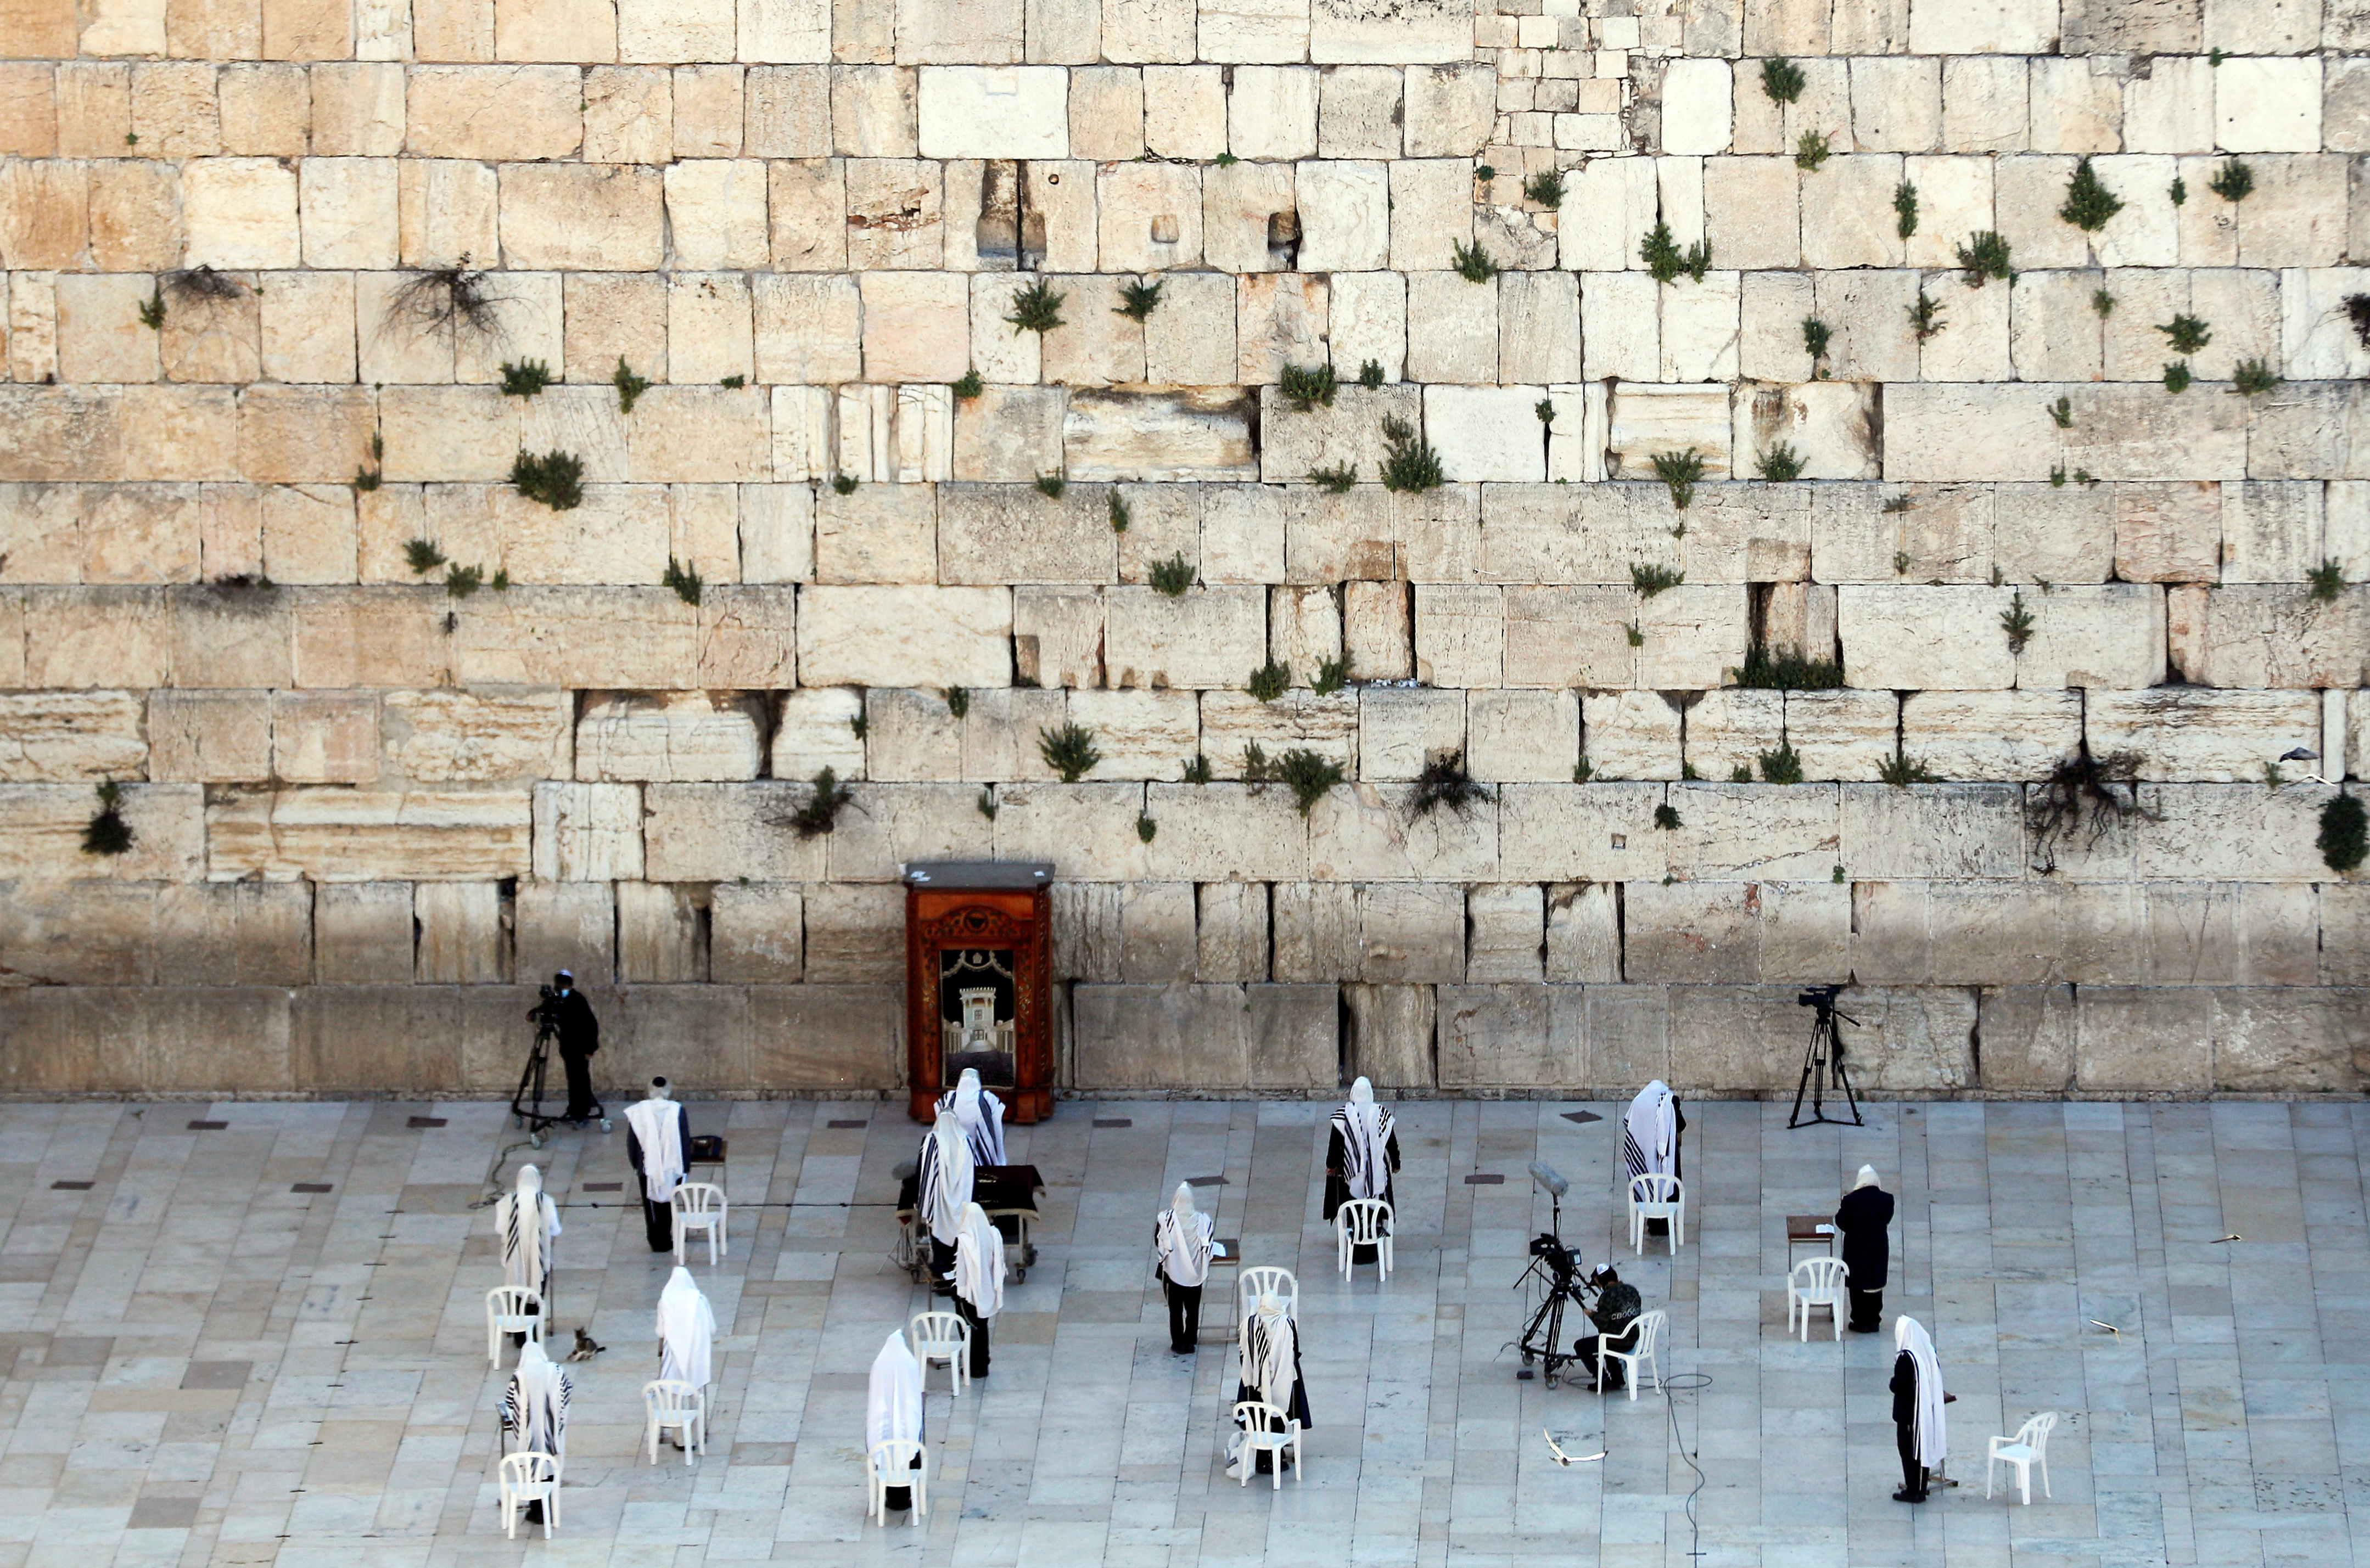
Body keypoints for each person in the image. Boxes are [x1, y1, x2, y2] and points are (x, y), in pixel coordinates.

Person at [1226, 1291, 1312, 1478]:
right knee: (1281, 1413)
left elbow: (1243, 1352)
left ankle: (1261, 1455)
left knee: (1258, 1416)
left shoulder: (1249, 1323)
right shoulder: (1287, 1324)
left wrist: (1258, 1371)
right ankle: (1275, 1455)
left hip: (1254, 1380)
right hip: (1284, 1378)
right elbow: (1294, 1351)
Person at [1324, 1076, 1401, 1263]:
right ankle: (1374, 1242)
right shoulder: (1381, 1114)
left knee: (1350, 1208)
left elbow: (1334, 1146)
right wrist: (1396, 1163)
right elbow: (1391, 1143)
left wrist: (1330, 1165)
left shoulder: (1343, 1116)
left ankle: (1353, 1244)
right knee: (1376, 1205)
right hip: (1377, 1173)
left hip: (1348, 1174)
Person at [501, 1338, 572, 1524]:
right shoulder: (555, 1370)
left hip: (529, 1431)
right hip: (551, 1430)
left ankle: (536, 1510)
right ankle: (549, 1508)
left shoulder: (520, 1376)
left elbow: (511, 1402)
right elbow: (567, 1392)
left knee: (533, 1465)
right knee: (549, 1463)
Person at [623, 1078, 691, 1254]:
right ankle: (667, 1237)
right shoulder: (677, 1110)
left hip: (647, 1166)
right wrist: (686, 1167)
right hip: (672, 1165)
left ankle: (655, 1239)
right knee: (670, 1201)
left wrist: (637, 1165)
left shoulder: (639, 1111)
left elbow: (632, 1142)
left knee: (651, 1204)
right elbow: (684, 1141)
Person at [496, 1164, 562, 1345]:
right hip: (539, 1258)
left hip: (513, 1257)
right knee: (535, 1290)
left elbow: (500, 1228)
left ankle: (519, 1335)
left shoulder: (506, 1202)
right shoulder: (546, 1201)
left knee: (517, 1290)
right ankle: (532, 1335)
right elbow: (556, 1230)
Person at [529, 971, 601, 1127]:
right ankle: (574, 1110)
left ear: (569, 984)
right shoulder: (558, 999)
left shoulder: (578, 1000)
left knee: (580, 1080)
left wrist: (590, 1049)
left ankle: (582, 1114)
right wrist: (535, 1012)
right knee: (573, 1081)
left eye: (563, 983)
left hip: (581, 1048)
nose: (560, 986)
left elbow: (591, 1025)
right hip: (568, 1048)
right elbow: (546, 1008)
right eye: (559, 983)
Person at [915, 1108, 974, 1292]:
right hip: (962, 1199)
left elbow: (923, 1172)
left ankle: (942, 1267)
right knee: (959, 1233)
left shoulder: (931, 1141)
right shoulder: (964, 1140)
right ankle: (959, 1268)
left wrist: (922, 1196)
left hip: (939, 1202)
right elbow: (972, 1173)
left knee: (939, 1230)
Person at [866, 1329, 925, 1512]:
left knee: (885, 1453)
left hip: (882, 1419)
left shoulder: (879, 1364)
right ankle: (907, 1495)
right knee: (910, 1448)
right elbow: (914, 1394)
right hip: (908, 1417)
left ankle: (891, 1497)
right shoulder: (910, 1363)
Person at [1153, 1182, 1214, 1355]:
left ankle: (1178, 1342)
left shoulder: (1165, 1220)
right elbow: (1208, 1244)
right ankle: (1190, 1339)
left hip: (1173, 1273)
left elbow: (1158, 1242)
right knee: (1193, 1308)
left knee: (1175, 1309)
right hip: (1195, 1273)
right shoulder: (1203, 1221)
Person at [1891, 1316, 1946, 1503]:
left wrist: (1892, 1383)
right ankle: (1921, 1488)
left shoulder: (1906, 1359)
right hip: (1924, 1412)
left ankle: (1913, 1490)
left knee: (1908, 1452)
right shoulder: (1927, 1352)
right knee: (1923, 1450)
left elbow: (1899, 1386)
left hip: (1908, 1415)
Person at [1835, 1165, 1895, 1333]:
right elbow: (1886, 1219)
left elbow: (1841, 1222)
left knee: (1857, 1284)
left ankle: (1860, 1321)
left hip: (1857, 1248)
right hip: (1878, 1247)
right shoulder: (1887, 1199)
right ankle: (1874, 1320)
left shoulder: (1851, 1200)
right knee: (1875, 1284)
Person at [1623, 1080, 1686, 1237]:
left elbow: (1630, 1125)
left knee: (1646, 1179)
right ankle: (1665, 1223)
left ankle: (1651, 1222)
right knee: (1669, 1180)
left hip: (1644, 1151)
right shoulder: (1670, 1100)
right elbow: (1681, 1124)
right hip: (1667, 1152)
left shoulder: (1638, 1103)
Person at [953, 1200, 1005, 1379]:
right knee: (982, 1327)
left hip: (968, 1294)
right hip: (987, 1290)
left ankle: (973, 1365)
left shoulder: (964, 1241)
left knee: (968, 1328)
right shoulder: (993, 1234)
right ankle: (984, 1363)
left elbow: (960, 1272)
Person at [1575, 1263, 1643, 1391]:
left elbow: (1602, 1326)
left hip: (1618, 1341)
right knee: (1610, 1337)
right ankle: (1618, 1380)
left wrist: (1593, 1315)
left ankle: (1603, 1379)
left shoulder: (1607, 1296)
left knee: (1582, 1345)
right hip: (1633, 1338)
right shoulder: (1632, 1290)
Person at [934, 1067, 1008, 1166]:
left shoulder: (949, 1098)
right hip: (979, 1156)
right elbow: (996, 1124)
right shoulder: (987, 1098)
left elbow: (941, 1120)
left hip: (953, 1154)